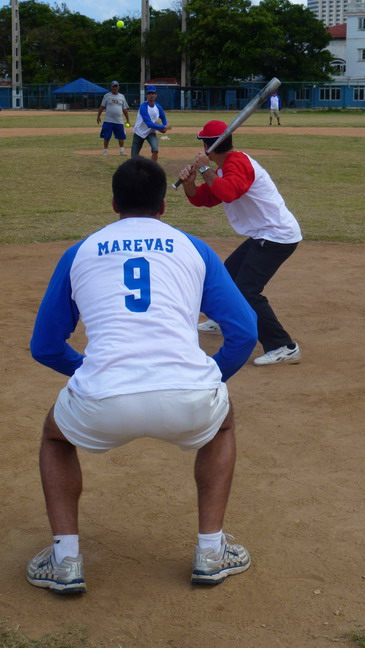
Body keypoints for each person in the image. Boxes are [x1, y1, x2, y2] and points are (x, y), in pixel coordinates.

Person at [27, 156, 258, 594]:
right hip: (188, 396)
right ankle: (211, 551)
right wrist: (209, 377)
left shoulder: (81, 251)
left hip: (101, 401)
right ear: (163, 208)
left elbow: (44, 346)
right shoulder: (194, 247)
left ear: (114, 203)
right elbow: (244, 332)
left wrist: (90, 370)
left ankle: (65, 560)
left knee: (55, 437)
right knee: (222, 424)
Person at [178, 120, 302, 367]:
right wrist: (190, 182)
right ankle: (222, 318)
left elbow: (228, 193)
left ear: (208, 145)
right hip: (262, 235)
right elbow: (204, 198)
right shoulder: (223, 169)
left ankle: (283, 346)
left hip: (277, 236)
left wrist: (204, 170)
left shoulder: (239, 163)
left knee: (247, 291)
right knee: (229, 273)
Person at [131, 85, 171, 162]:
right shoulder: (143, 107)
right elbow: (149, 124)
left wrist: (165, 125)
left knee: (155, 150)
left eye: (153, 93)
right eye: (149, 93)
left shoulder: (158, 107)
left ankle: (152, 168)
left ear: (156, 95)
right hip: (139, 133)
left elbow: (163, 117)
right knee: (134, 156)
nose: (151, 95)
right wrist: (162, 127)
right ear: (146, 95)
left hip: (150, 133)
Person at [97, 80, 130, 156]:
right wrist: (98, 116)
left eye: (116, 86)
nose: (115, 87)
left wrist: (127, 120)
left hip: (119, 121)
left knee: (121, 136)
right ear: (111, 87)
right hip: (108, 120)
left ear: (118, 87)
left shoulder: (122, 96)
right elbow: (102, 107)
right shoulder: (107, 96)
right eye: (113, 86)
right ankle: (105, 151)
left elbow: (124, 109)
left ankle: (122, 151)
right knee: (106, 136)